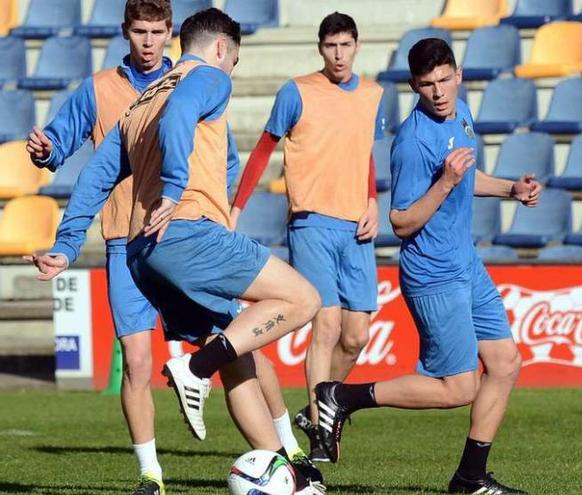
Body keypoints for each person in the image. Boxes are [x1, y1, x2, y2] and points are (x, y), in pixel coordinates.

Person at [26, 8, 324, 494]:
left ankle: (282, 472)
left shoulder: (141, 102)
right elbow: (186, 108)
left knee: (236, 351)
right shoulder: (207, 77)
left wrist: (66, 244)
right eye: (235, 60)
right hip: (186, 233)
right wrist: (174, 187)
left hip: (142, 253)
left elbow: (97, 176)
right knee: (303, 299)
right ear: (223, 49)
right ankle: (193, 369)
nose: (232, 71)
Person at [312, 38, 541, 494]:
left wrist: (511, 190)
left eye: (443, 80)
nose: (437, 92)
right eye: (426, 85)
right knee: (459, 388)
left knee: (505, 362)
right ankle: (342, 396)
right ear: (415, 86)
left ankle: (470, 479)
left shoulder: (461, 112)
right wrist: (446, 181)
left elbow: (468, 180)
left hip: (465, 263)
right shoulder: (414, 142)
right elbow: (400, 221)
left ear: (458, 76)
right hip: (433, 273)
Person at [25, 3, 174, 493]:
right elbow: (60, 141)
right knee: (136, 360)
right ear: (125, 32)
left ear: (170, 32)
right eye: (140, 31)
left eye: (157, 31)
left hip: (183, 235)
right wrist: (47, 149)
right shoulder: (98, 87)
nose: (149, 41)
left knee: (230, 347)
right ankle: (150, 473)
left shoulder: (190, 82)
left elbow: (222, 158)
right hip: (121, 239)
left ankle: (284, 450)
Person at [229, 11, 384, 462]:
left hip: (357, 226)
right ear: (321, 48)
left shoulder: (373, 93)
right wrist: (237, 208)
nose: (338, 54)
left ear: (357, 45)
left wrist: (372, 200)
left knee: (356, 336)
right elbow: (263, 148)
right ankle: (320, 427)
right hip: (312, 220)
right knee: (328, 325)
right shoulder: (297, 91)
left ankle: (321, 407)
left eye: (345, 45)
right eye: (330, 46)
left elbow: (364, 153)